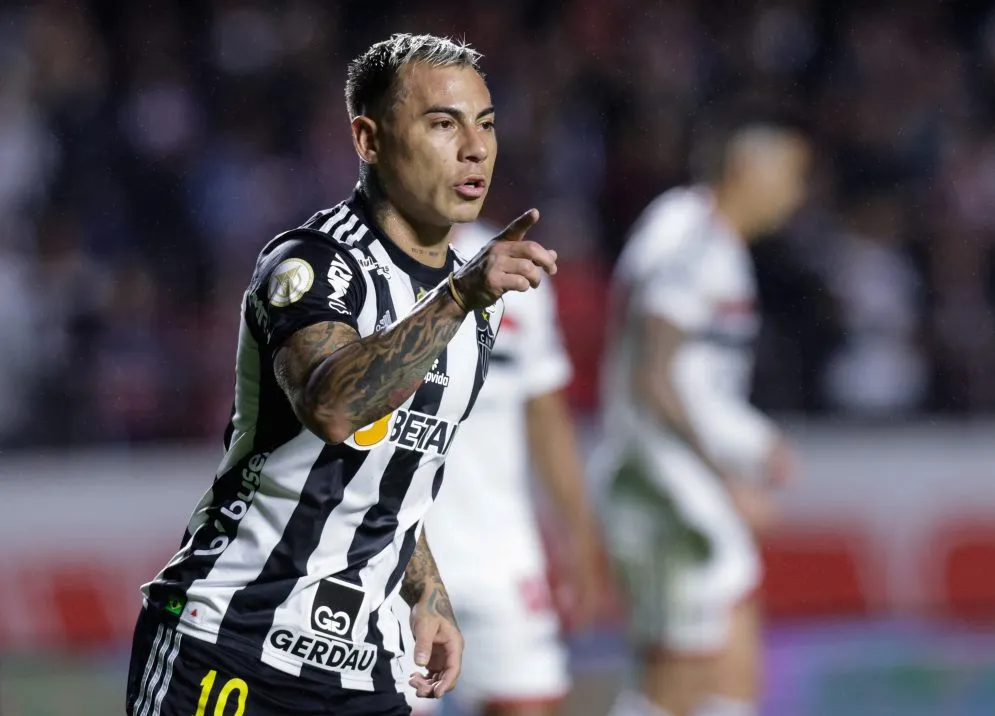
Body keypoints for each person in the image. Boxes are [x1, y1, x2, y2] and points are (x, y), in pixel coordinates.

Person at [125, 33, 559, 716]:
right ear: (369, 139)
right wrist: (457, 298)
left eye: (487, 124)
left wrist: (428, 596)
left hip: (363, 675)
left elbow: (388, 476)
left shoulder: (473, 310)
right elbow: (332, 406)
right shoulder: (313, 266)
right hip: (228, 647)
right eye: (443, 123)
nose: (475, 148)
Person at [596, 109, 811, 716]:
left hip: (672, 482)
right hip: (665, 489)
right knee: (678, 685)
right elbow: (654, 374)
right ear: (747, 170)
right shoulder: (694, 241)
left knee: (727, 679)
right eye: (792, 176)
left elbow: (693, 380)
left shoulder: (699, 234)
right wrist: (730, 478)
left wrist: (753, 438)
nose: (798, 195)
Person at [398, 221, 605, 716]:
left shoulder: (517, 269)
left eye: (481, 137)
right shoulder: (356, 265)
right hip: (395, 560)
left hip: (502, 557)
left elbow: (547, 417)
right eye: (443, 135)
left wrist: (579, 538)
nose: (468, 148)